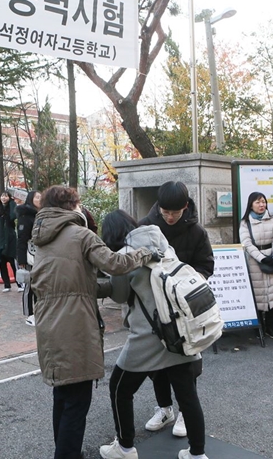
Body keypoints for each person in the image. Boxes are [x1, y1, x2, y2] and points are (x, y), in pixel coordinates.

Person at [30, 186, 158, 459]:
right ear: (71, 206)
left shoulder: (42, 238)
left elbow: (69, 284)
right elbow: (115, 263)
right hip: (75, 325)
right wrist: (144, 253)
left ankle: (66, 453)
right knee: (77, 402)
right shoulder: (80, 234)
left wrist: (107, 289)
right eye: (78, 203)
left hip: (48, 324)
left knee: (63, 396)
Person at [99, 210, 208, 459]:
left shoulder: (125, 256)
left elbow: (118, 295)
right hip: (178, 330)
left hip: (149, 336)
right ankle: (197, 454)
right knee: (188, 396)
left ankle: (125, 447)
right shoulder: (162, 242)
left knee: (119, 387)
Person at [137, 181, 213, 438]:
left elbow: (206, 266)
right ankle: (164, 407)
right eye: (166, 212)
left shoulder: (197, 232)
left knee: (187, 360)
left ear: (186, 207)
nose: (170, 217)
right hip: (153, 305)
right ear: (159, 207)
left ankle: (184, 412)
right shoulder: (145, 228)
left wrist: (187, 284)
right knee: (156, 363)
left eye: (175, 213)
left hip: (185, 308)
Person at [239, 191, 273, 339]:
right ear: (251, 205)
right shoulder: (245, 222)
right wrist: (262, 258)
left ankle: (271, 327)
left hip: (272, 259)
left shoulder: (271, 219)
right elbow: (246, 244)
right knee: (258, 296)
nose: (261, 205)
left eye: (263, 202)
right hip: (255, 261)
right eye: (258, 202)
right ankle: (258, 327)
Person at [16, 190, 41, 325]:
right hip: (29, 255)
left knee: (38, 284)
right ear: (31, 199)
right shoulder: (25, 216)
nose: (40, 199)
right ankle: (29, 314)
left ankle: (38, 311)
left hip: (39, 255)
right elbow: (21, 239)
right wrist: (21, 260)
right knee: (29, 286)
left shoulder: (41, 215)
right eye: (37, 197)